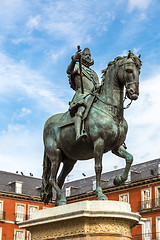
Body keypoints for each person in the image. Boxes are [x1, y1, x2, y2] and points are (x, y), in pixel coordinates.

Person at [67, 47, 99, 141]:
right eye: (86, 55)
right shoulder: (77, 66)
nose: (88, 57)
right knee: (81, 110)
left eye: (89, 55)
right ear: (82, 56)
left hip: (93, 96)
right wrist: (74, 60)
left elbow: (97, 85)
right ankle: (78, 134)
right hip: (82, 95)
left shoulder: (93, 73)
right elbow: (69, 70)